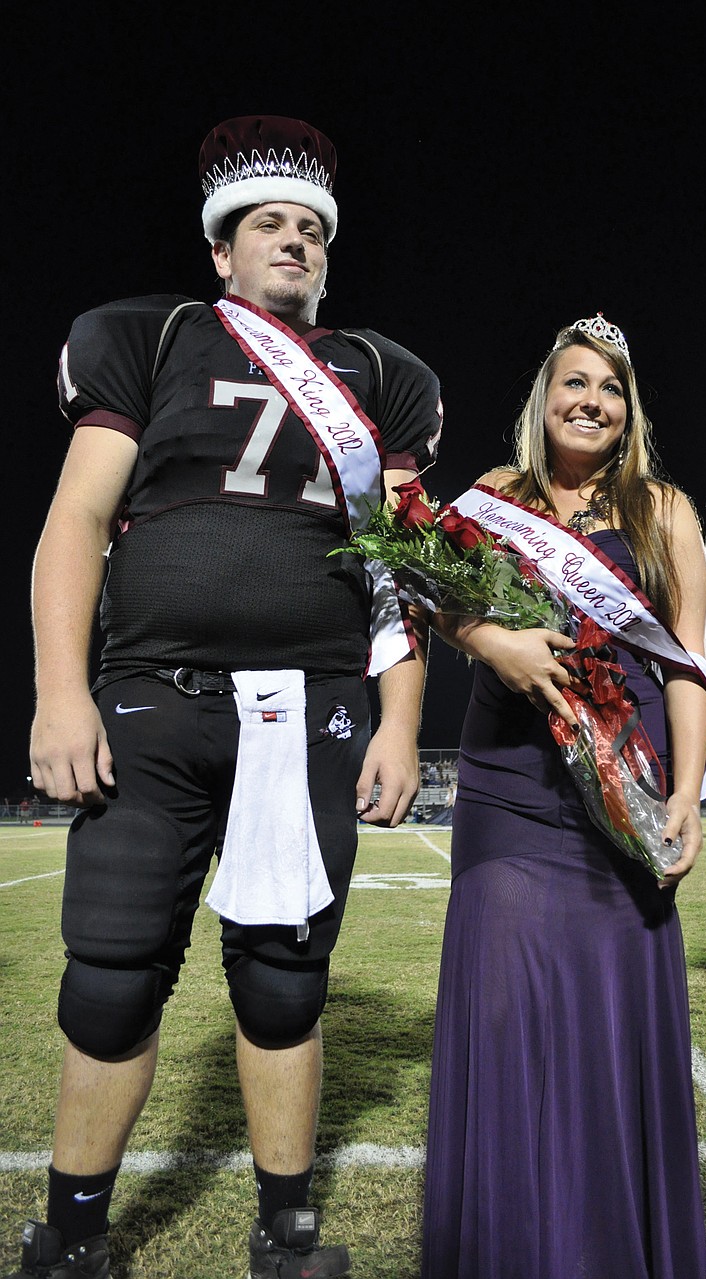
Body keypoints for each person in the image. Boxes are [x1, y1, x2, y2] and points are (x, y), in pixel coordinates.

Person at [14, 115, 442, 1279]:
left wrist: (402, 718)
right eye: (269, 224)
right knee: (109, 968)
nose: (293, 242)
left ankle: (286, 1231)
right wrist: (61, 693)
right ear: (222, 248)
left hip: (315, 705)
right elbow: (77, 523)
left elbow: (399, 566)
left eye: (310, 228)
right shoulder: (149, 338)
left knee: (284, 968)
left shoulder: (378, 377)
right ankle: (73, 1234)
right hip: (157, 694)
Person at [421, 315, 706, 1278]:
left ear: (628, 413)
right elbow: (429, 596)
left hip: (620, 799)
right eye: (574, 382)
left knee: (610, 1034)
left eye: (611, 388)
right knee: (507, 1027)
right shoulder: (494, 497)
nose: (591, 400)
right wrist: (488, 642)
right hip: (508, 791)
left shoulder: (663, 510)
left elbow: (686, 665)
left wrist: (687, 793)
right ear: (543, 398)